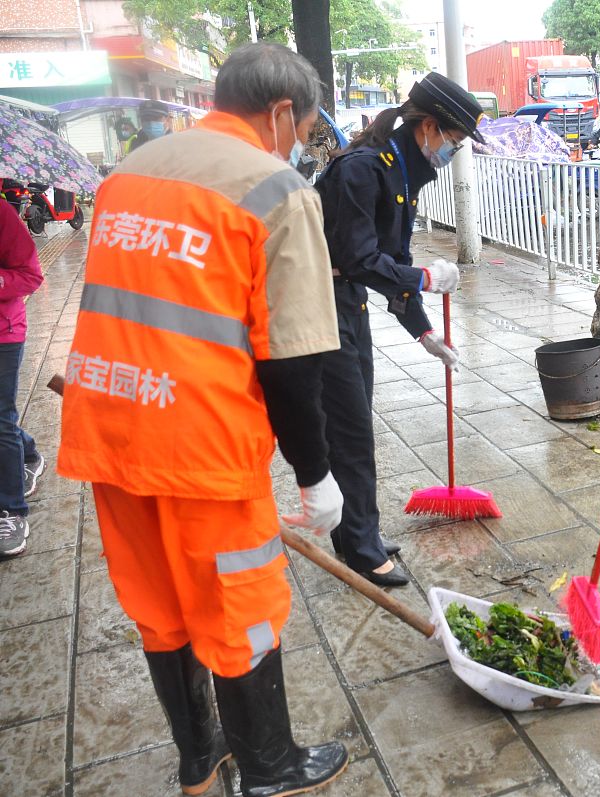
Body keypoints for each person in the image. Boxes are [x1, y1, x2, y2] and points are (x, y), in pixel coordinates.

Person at [58, 43, 350, 797]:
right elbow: (292, 360)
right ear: (282, 112)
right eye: (305, 126)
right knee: (239, 604)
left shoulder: (130, 172)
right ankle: (272, 768)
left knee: (158, 602)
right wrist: (317, 474)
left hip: (109, 424)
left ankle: (200, 757)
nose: (301, 141)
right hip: (202, 447)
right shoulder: (274, 187)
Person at [313, 72, 484, 587]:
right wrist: (425, 278)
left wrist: (424, 331)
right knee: (351, 429)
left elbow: (393, 259)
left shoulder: (402, 172)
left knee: (353, 418)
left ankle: (354, 533)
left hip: (348, 302)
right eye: (454, 141)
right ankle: (361, 548)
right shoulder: (363, 170)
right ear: (429, 127)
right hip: (318, 305)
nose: (452, 152)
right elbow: (360, 258)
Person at [0, 200, 45, 559]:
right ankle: (27, 452)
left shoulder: (2, 213)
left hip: (4, 333)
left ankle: (10, 511)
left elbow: (30, 275)